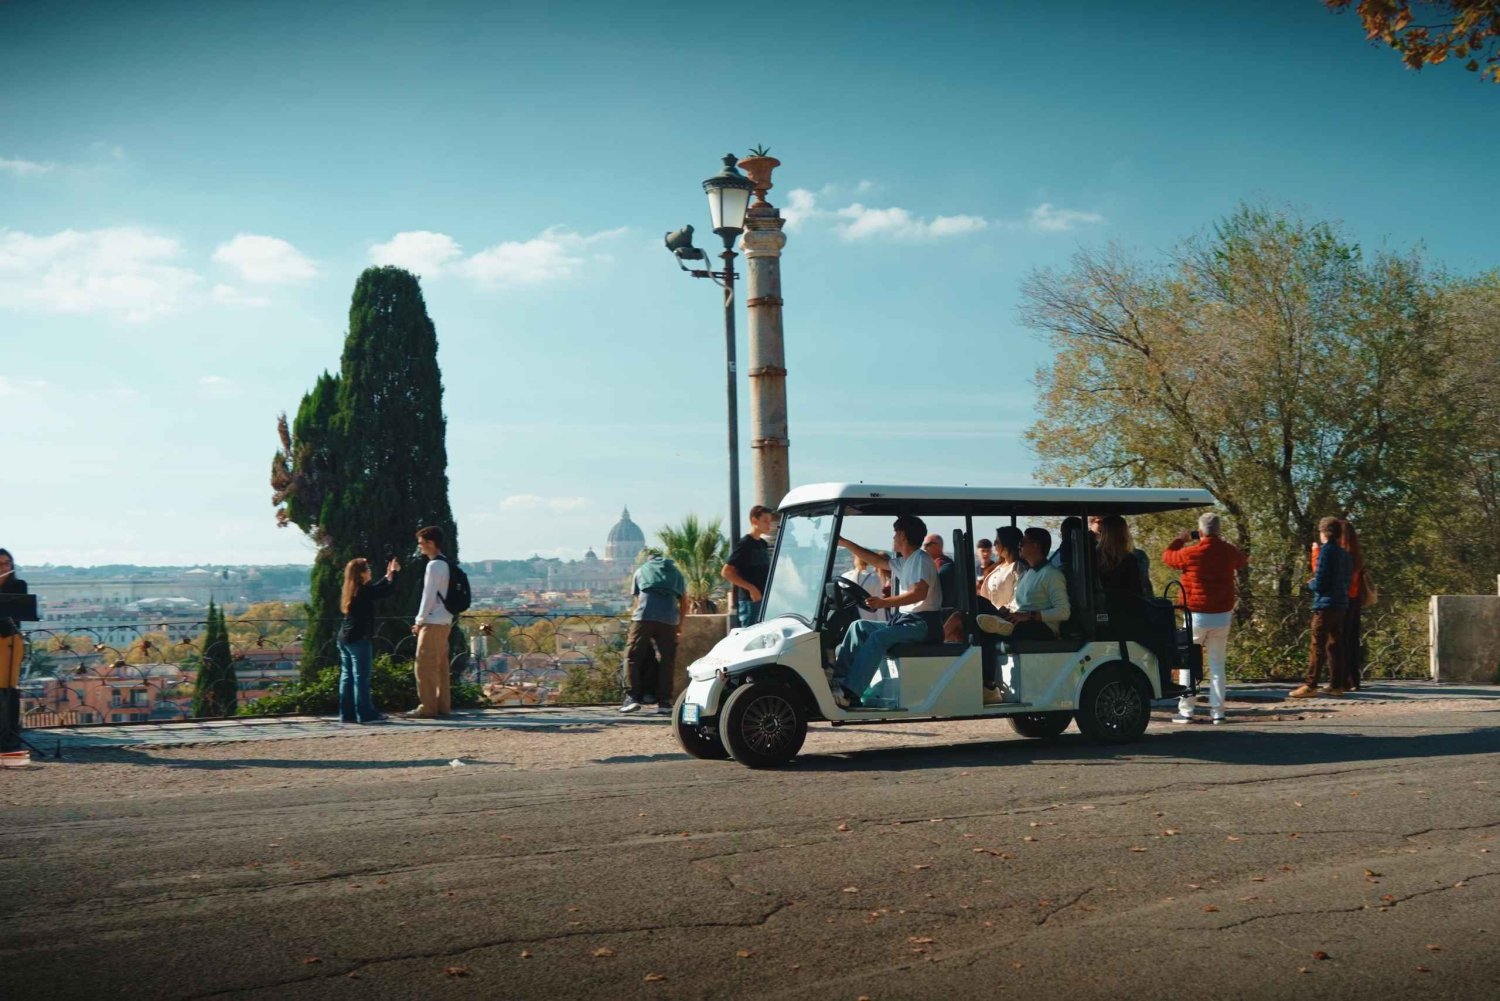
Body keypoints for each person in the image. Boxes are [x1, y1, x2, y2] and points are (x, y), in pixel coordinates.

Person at [831, 515, 940, 707]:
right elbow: (874, 559)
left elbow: (919, 593)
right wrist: (843, 542)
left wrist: (883, 603)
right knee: (859, 627)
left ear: (903, 536)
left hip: (922, 624)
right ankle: (839, 681)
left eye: (895, 534)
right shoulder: (905, 562)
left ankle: (850, 693)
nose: (892, 538)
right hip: (905, 622)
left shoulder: (921, 560)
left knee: (878, 637)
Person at [1162, 513, 1249, 723]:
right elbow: (1243, 559)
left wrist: (1182, 539)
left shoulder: (1191, 553)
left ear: (1199, 532)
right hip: (1222, 615)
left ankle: (1186, 711)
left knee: (1188, 663)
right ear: (1218, 530)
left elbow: (1167, 557)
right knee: (1218, 665)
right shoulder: (1228, 552)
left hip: (1196, 615)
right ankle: (1218, 713)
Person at [1291, 517, 1353, 699]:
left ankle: (1311, 685)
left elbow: (1322, 581)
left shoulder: (1326, 552)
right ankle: (1336, 684)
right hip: (1341, 603)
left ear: (1324, 532)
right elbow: (1347, 579)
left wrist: (1311, 584)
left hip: (1325, 604)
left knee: (1317, 645)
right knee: (1335, 645)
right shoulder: (1345, 554)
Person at [622, 550, 689, 715]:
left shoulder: (641, 571)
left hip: (644, 617)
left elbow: (637, 600)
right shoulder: (676, 573)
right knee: (667, 660)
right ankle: (664, 701)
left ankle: (632, 697)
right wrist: (679, 624)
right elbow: (684, 600)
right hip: (669, 619)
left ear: (649, 560)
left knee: (632, 656)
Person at [337, 556, 399, 724]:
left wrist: (388, 576)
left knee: (347, 676)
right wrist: (393, 574)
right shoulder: (363, 591)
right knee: (361, 677)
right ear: (361, 574)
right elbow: (385, 591)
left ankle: (346, 714)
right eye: (368, 569)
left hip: (344, 638)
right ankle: (365, 714)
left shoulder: (354, 590)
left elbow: (377, 589)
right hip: (359, 639)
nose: (370, 572)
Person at [1311, 519, 1366, 692]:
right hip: (1349, 601)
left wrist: (1314, 554)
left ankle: (1311, 684)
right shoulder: (1351, 555)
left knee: (1320, 643)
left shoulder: (1328, 552)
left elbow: (1320, 577)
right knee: (1344, 642)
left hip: (1332, 601)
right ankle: (1344, 682)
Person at [406, 526, 454, 719]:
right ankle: (443, 705)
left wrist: (419, 621)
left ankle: (427, 707)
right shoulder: (445, 564)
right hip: (445, 621)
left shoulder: (433, 566)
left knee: (424, 665)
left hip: (433, 621)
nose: (420, 548)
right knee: (441, 666)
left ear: (431, 543)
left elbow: (428, 596)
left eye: (421, 543)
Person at [990, 527, 1070, 641]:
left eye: (1022, 542)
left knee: (999, 633)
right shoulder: (1026, 574)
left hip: (1040, 628)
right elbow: (1018, 604)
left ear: (1035, 545)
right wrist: (1005, 610)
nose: (1019, 546)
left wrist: (1029, 616)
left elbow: (1064, 612)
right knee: (981, 604)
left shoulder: (1052, 575)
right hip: (1021, 621)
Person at [721, 505, 776, 626]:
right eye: (765, 521)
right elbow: (726, 572)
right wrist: (751, 589)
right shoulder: (745, 544)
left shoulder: (763, 544)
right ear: (754, 521)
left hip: (763, 600)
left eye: (770, 521)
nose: (769, 524)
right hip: (750, 602)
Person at [0, 548, 28, 757]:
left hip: (10, 640)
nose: (3, 568)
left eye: (7, 563)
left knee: (9, 689)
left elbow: (19, 614)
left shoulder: (18, 585)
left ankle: (10, 735)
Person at [1096, 515, 1152, 598]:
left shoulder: (1092, 556)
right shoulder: (1130, 559)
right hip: (1127, 606)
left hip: (1101, 605)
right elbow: (1137, 590)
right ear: (1123, 534)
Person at [841, 554, 884, 623]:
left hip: (848, 617)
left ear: (854, 560)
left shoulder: (844, 576)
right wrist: (883, 622)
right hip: (869, 619)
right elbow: (879, 603)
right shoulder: (874, 577)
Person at [922, 533, 953, 609]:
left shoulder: (941, 564)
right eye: (923, 545)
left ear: (938, 545)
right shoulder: (935, 563)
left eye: (927, 545)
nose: (924, 548)